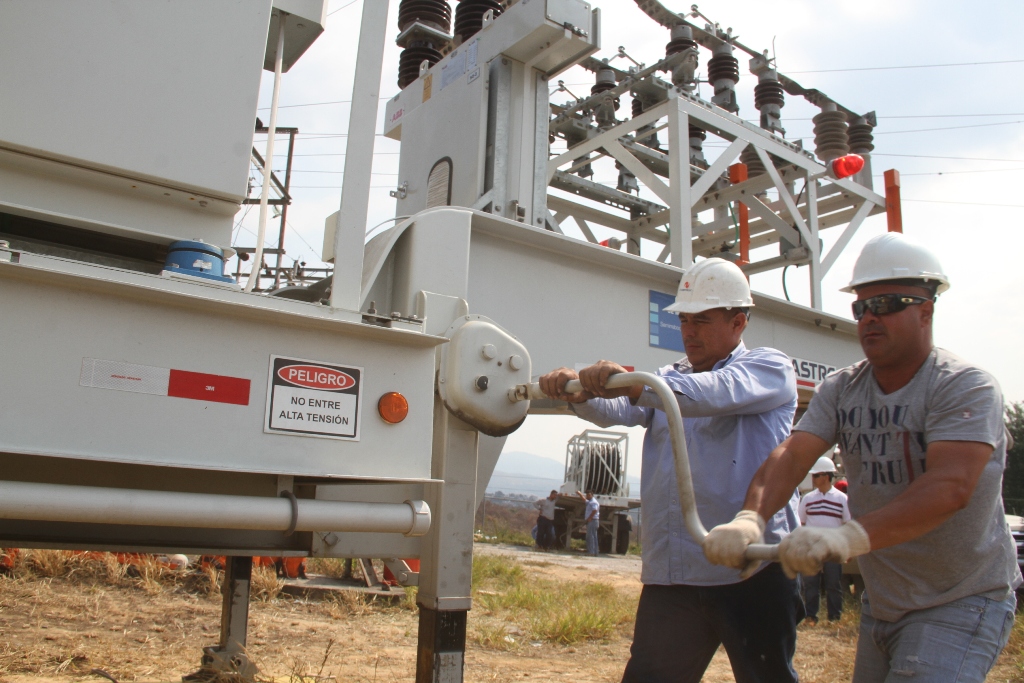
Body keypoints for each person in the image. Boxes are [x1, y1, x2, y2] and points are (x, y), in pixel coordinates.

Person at [704, 232, 1022, 683]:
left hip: (960, 598)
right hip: (886, 599)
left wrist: (847, 538)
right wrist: (749, 518)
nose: (870, 318)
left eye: (888, 304)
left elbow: (950, 487)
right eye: (861, 307)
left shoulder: (963, 386)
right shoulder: (843, 387)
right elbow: (793, 455)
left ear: (926, 310)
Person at [540, 257, 803, 683]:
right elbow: (615, 409)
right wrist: (577, 390)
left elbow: (709, 393)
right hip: (676, 573)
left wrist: (635, 382)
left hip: (751, 567)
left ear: (739, 323)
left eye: (702, 319)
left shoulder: (769, 368)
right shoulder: (665, 378)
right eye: (684, 320)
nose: (689, 331)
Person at [797, 455, 850, 624]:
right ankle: (811, 615)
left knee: (833, 584)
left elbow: (847, 526)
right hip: (812, 548)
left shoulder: (842, 499)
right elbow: (802, 523)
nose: (813, 479)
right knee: (810, 584)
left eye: (815, 475)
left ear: (826, 476)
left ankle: (834, 617)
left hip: (833, 548)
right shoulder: (808, 499)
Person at [577, 490, 600, 556]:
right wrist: (580, 494)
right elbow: (584, 500)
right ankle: (595, 552)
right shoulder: (590, 501)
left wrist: (590, 517)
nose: (587, 496)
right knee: (594, 536)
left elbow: (594, 510)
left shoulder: (593, 502)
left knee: (590, 536)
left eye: (589, 495)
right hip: (593, 520)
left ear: (592, 495)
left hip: (593, 520)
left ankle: (591, 552)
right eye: (587, 495)